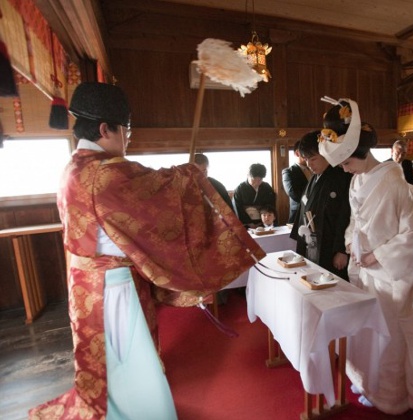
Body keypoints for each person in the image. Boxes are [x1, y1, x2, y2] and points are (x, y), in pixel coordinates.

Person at [29, 82, 264, 420]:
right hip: (112, 287)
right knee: (127, 356)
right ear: (104, 128)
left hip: (85, 282)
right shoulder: (104, 174)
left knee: (105, 360)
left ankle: (113, 406)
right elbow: (155, 193)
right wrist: (189, 177)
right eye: (126, 130)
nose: (128, 139)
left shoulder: (75, 167)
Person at [319, 97, 413, 415]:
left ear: (362, 153)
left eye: (346, 162)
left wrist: (378, 256)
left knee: (391, 337)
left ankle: (391, 395)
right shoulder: (358, 180)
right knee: (366, 332)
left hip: (393, 276)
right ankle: (365, 380)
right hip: (367, 271)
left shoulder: (397, 187)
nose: (344, 169)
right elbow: (355, 224)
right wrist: (352, 249)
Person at [289, 130, 352, 280]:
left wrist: (342, 250)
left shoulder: (342, 176)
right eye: (306, 160)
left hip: (330, 245)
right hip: (312, 242)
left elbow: (346, 216)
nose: (309, 165)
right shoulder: (315, 178)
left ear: (326, 154)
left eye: (313, 159)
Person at [232, 163, 276, 228]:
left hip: (264, 222)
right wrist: (249, 223)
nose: (256, 182)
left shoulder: (267, 188)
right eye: (253, 179)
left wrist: (265, 220)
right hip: (246, 223)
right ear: (248, 176)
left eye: (259, 180)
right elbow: (238, 208)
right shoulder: (240, 189)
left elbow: (271, 205)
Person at [282, 140, 311, 223]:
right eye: (306, 152)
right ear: (297, 153)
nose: (309, 155)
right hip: (298, 214)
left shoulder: (315, 169)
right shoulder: (288, 172)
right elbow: (293, 193)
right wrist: (312, 202)